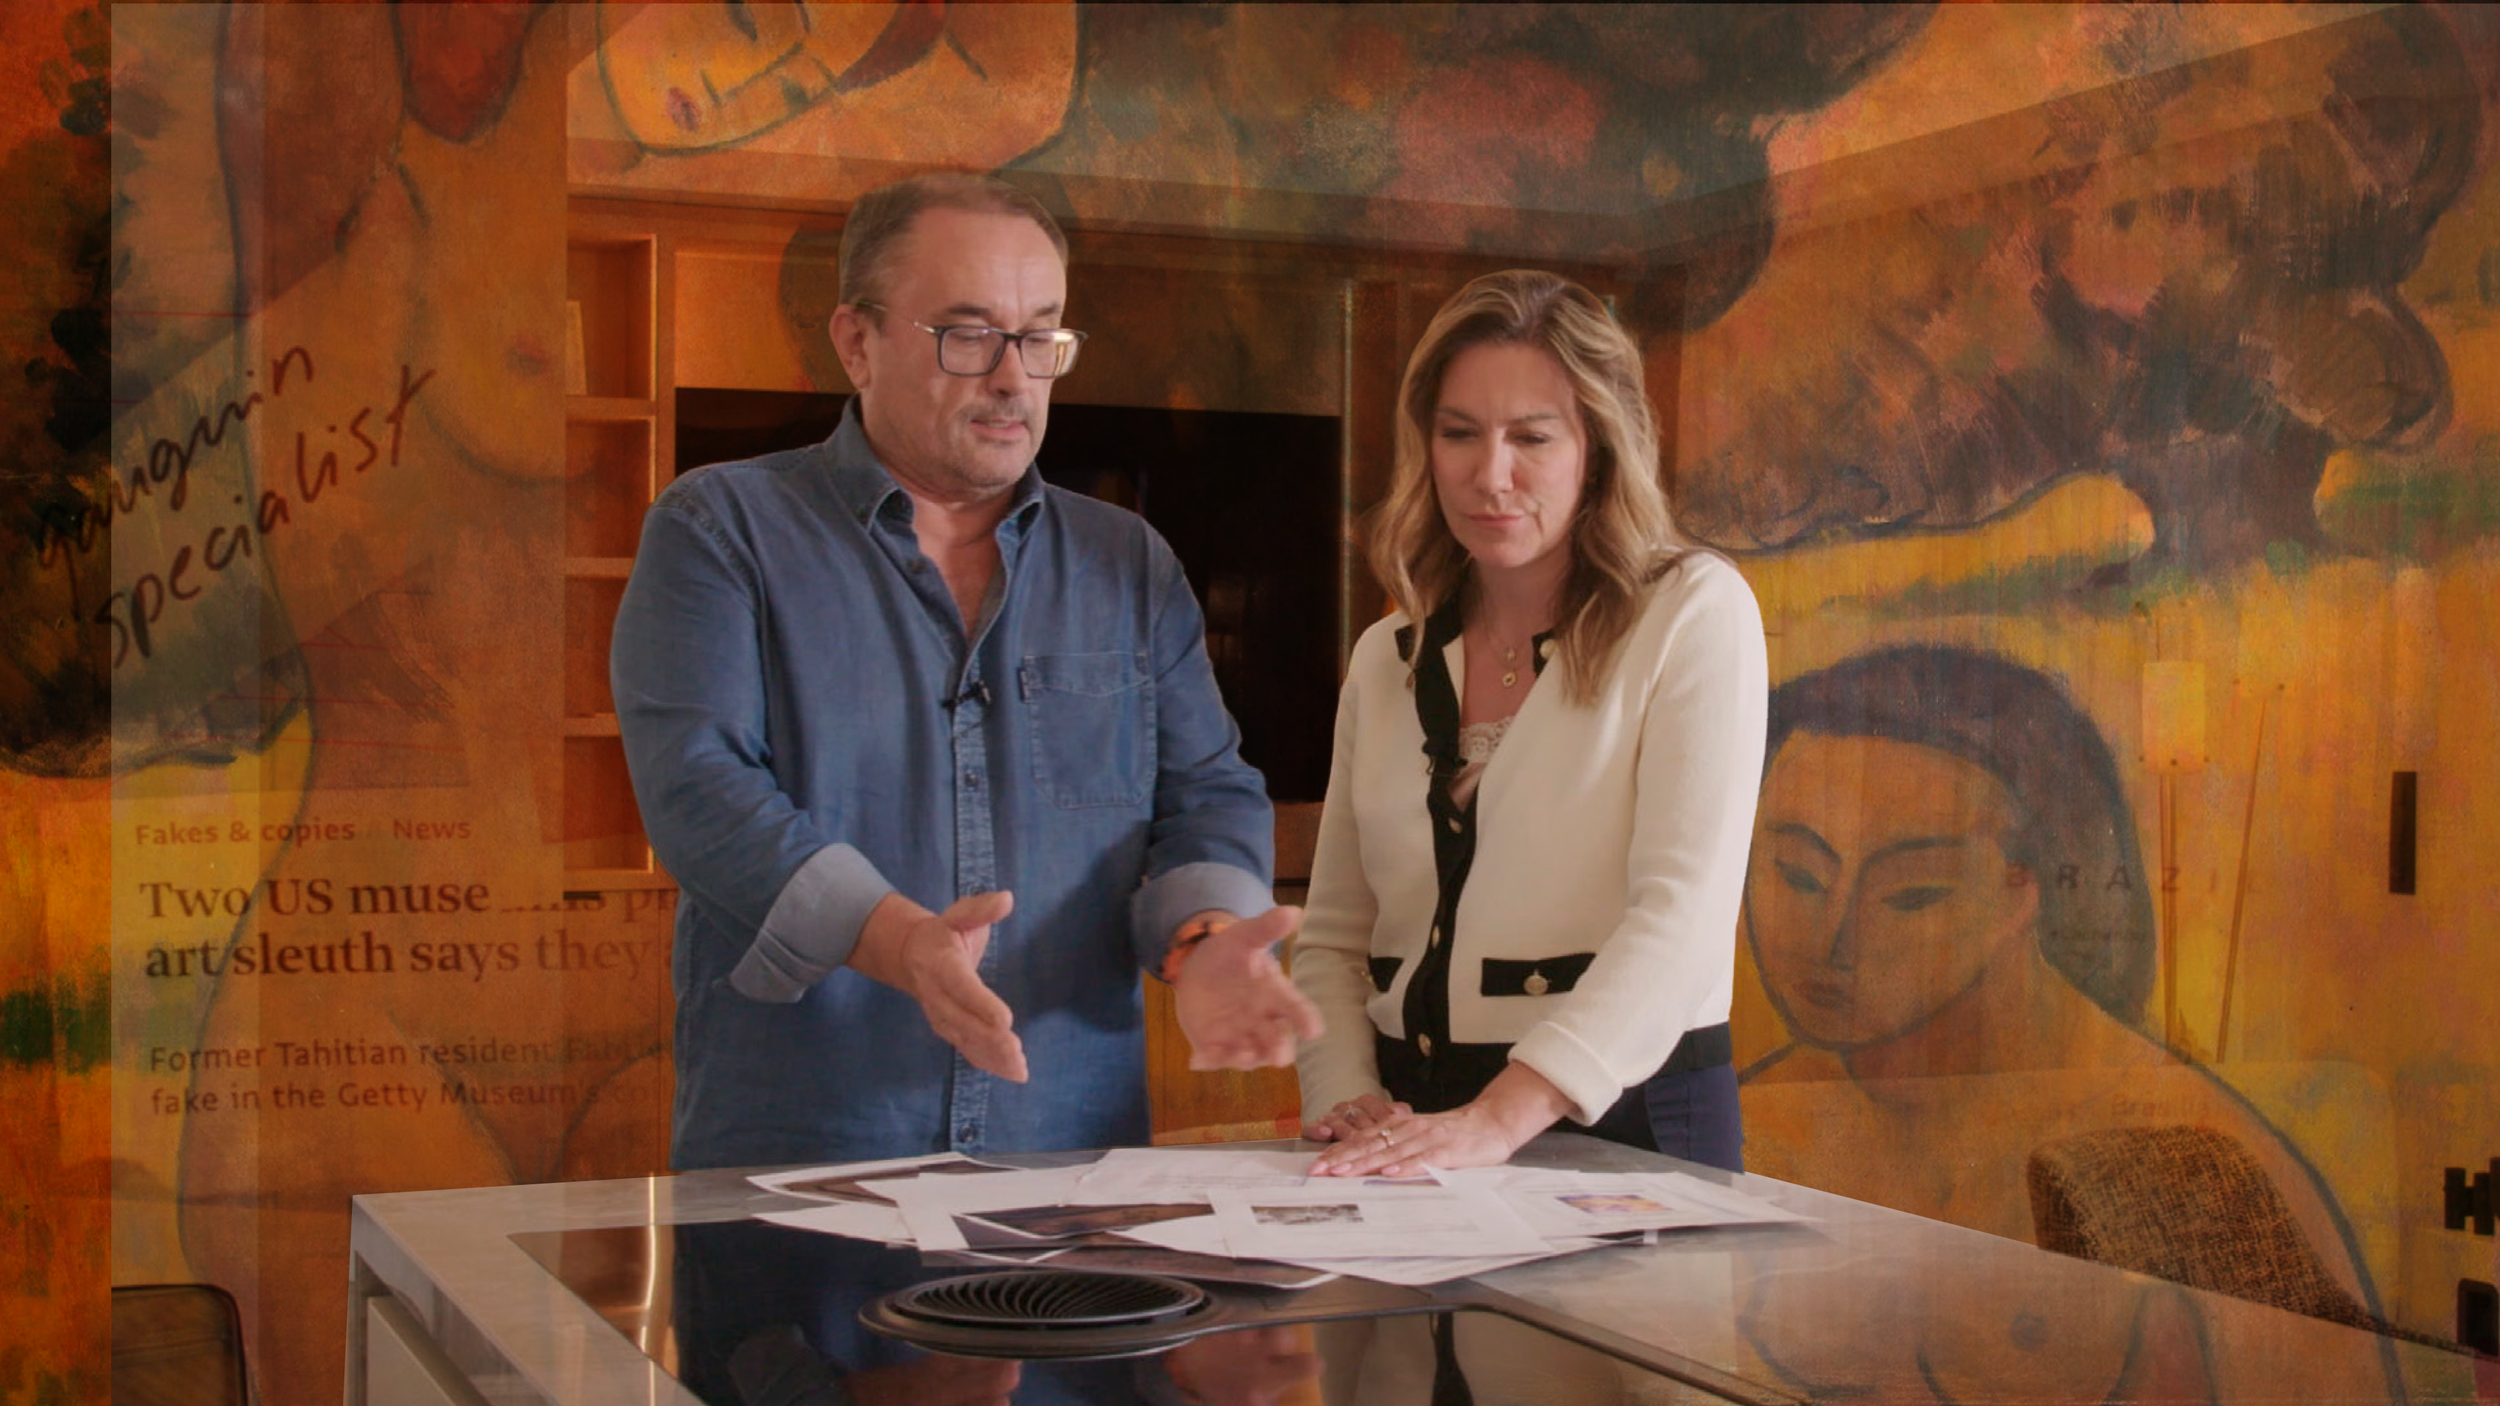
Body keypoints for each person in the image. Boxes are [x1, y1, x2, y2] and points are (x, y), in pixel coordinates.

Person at [611, 172, 1319, 1171]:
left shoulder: (1128, 562)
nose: (1012, 376)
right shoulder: (720, 529)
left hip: (1072, 1146)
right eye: (967, 333)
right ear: (857, 341)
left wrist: (1205, 939)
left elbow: (1204, 789)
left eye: (1040, 336)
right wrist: (899, 940)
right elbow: (701, 789)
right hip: (807, 1147)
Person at [1734, 644, 2388, 1402]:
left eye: (1912, 893)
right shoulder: (1760, 1124)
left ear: (2028, 892)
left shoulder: (2177, 1166)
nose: (1834, 938)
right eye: (1797, 874)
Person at [1293, 269, 1768, 1176]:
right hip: (1409, 1124)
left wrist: (1499, 1120)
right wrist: (1343, 1095)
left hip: (1630, 1121)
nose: (1490, 475)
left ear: (1601, 446)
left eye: (1533, 438)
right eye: (1459, 434)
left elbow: (1683, 921)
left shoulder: (1694, 612)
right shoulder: (1386, 656)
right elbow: (1334, 937)